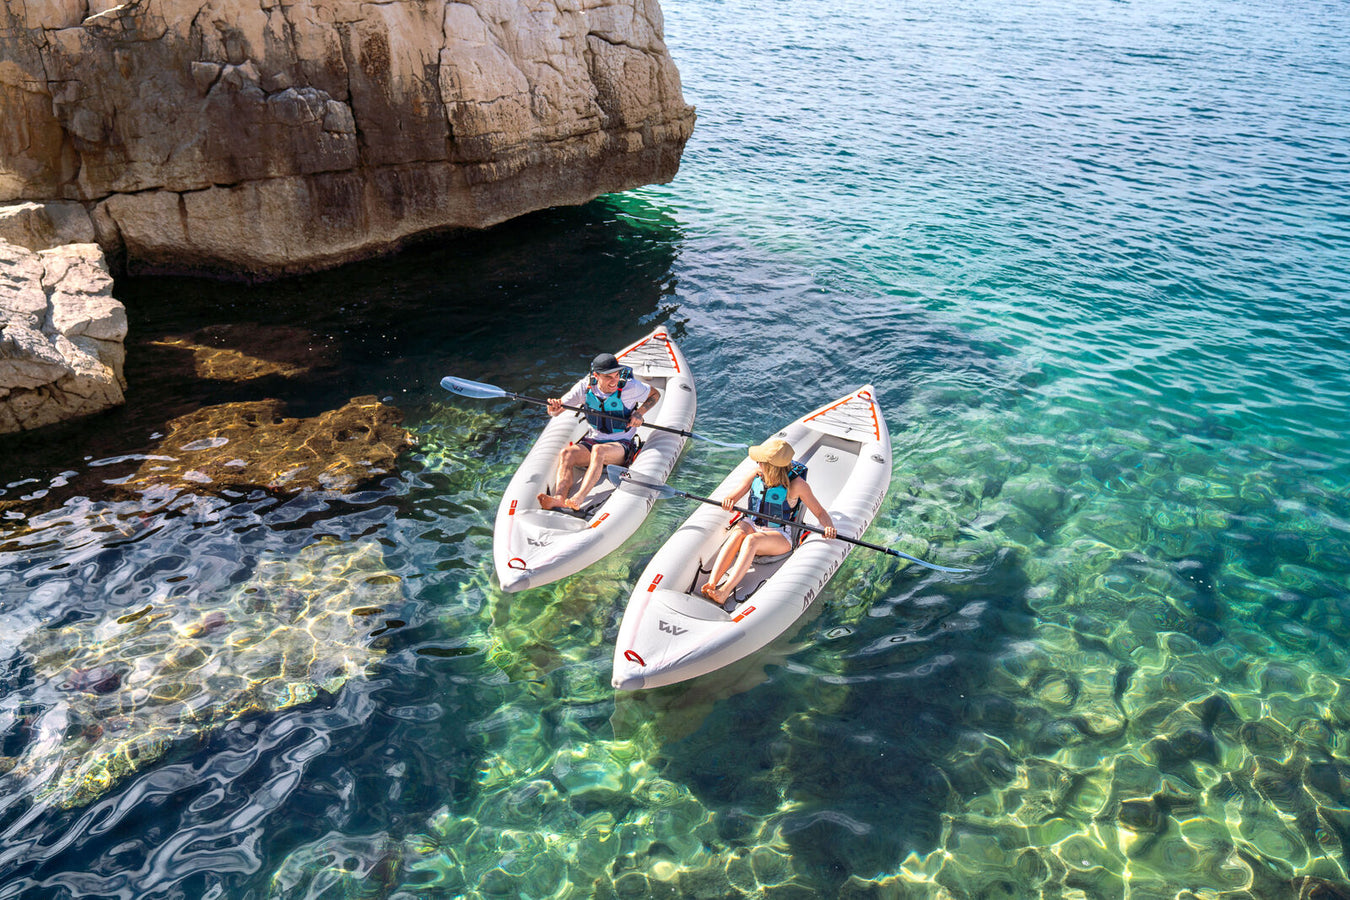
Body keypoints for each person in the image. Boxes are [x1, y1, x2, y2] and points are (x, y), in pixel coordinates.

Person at [700, 437, 837, 608]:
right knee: (739, 531)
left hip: (779, 535)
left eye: (761, 461)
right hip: (754, 524)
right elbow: (733, 496)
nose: (757, 463)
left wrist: (828, 526)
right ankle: (712, 583)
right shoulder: (756, 475)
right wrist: (729, 501)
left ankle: (724, 592)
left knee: (751, 540)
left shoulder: (797, 485)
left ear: (771, 467)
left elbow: (820, 512)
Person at [537, 352, 661, 512]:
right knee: (566, 454)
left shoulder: (629, 386)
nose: (614, 380)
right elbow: (555, 411)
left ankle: (578, 498)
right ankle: (559, 499)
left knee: (598, 451)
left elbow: (655, 394)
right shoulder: (584, 387)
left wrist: (640, 412)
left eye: (616, 375)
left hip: (621, 446)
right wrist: (552, 407)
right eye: (609, 377)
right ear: (596, 375)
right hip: (593, 440)